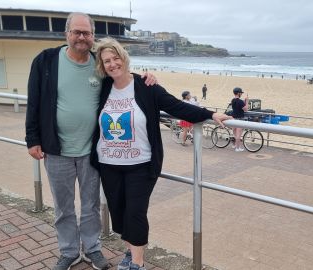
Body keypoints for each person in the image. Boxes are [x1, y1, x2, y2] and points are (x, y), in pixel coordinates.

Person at [25, 13, 157, 270]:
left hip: (92, 151)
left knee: (91, 206)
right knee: (63, 208)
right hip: (56, 149)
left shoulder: (99, 63)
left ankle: (93, 249)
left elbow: (122, 76)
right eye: (77, 32)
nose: (81, 37)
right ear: (67, 34)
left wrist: (146, 79)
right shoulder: (46, 61)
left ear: (92, 36)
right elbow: (34, 102)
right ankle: (69, 251)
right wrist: (32, 139)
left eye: (86, 33)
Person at [90, 37, 231, 270]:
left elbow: (176, 106)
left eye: (116, 58)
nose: (112, 64)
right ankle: (129, 252)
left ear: (124, 58)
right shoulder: (103, 87)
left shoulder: (147, 86)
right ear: (102, 66)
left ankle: (137, 263)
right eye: (107, 61)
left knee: (135, 212)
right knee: (119, 211)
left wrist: (211, 114)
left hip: (141, 163)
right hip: (108, 163)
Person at [230, 87, 248, 152]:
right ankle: (237, 148)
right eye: (241, 93)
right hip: (239, 119)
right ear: (238, 93)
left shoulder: (233, 100)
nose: (241, 94)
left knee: (235, 133)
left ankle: (235, 145)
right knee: (238, 135)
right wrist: (247, 101)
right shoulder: (240, 101)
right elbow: (246, 109)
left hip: (233, 118)